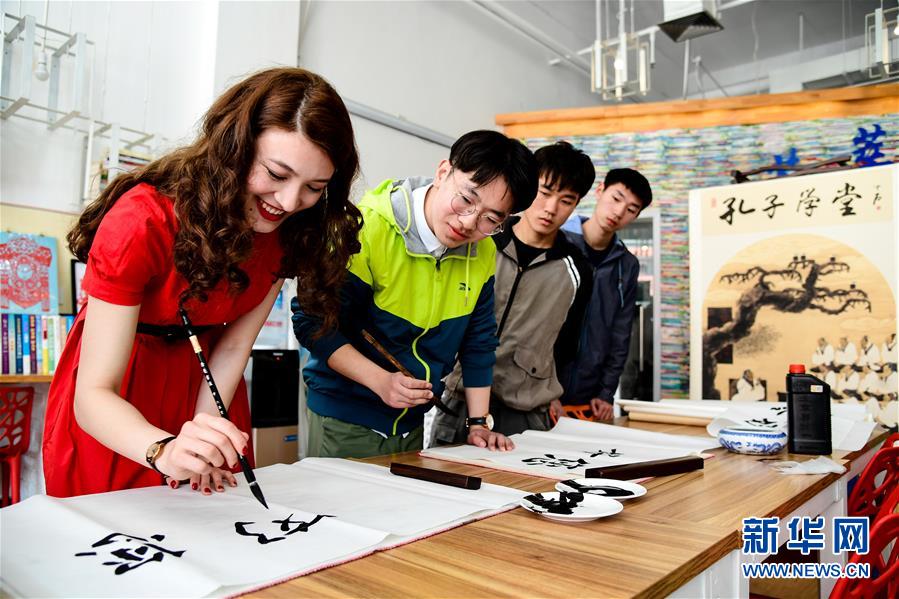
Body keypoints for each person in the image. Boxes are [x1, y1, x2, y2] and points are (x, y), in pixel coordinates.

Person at [42, 68, 362, 498]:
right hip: (120, 396)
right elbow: (94, 394)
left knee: (208, 520)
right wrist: (164, 449)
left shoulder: (289, 234)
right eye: (276, 174)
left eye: (314, 187)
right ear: (235, 148)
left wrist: (205, 434)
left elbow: (233, 347)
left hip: (208, 386)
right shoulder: (143, 220)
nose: (288, 202)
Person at [292, 130, 537, 458]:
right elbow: (313, 323)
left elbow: (478, 343)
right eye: (466, 200)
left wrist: (478, 423)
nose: (469, 222)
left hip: (411, 423)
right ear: (443, 172)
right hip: (345, 417)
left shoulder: (481, 252)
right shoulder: (367, 230)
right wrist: (380, 381)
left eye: (490, 219)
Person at [431, 141, 593, 443]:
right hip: (458, 397)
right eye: (544, 192)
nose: (551, 208)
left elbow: (569, 343)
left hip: (526, 408)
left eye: (566, 200)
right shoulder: (481, 241)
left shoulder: (576, 269)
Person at [558, 168, 653, 420]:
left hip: (589, 397)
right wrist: (543, 390)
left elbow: (621, 333)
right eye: (616, 198)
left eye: (631, 209)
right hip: (540, 390)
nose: (619, 212)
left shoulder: (627, 264)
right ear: (600, 191)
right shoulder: (557, 240)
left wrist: (606, 391)